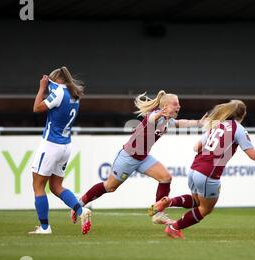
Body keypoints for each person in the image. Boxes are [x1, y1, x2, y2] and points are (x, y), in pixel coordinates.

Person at [148, 100, 255, 239]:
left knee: (197, 201)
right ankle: (174, 228)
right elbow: (253, 155)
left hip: (194, 169)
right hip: (209, 173)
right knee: (205, 209)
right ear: (243, 115)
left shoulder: (216, 126)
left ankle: (169, 202)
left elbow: (196, 148)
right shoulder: (238, 129)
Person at [70, 90, 207, 223]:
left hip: (143, 158)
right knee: (110, 187)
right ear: (165, 106)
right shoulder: (154, 116)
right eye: (176, 104)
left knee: (165, 178)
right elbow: (152, 119)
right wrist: (159, 113)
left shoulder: (167, 120)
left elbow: (181, 123)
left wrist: (198, 123)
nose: (179, 106)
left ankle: (157, 214)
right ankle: (78, 205)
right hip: (128, 157)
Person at [29, 66, 92, 235]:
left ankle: (44, 227)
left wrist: (42, 88)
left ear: (56, 80)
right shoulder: (74, 95)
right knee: (56, 186)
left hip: (51, 145)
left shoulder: (58, 94)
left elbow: (36, 108)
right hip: (66, 146)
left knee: (38, 186)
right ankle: (81, 211)